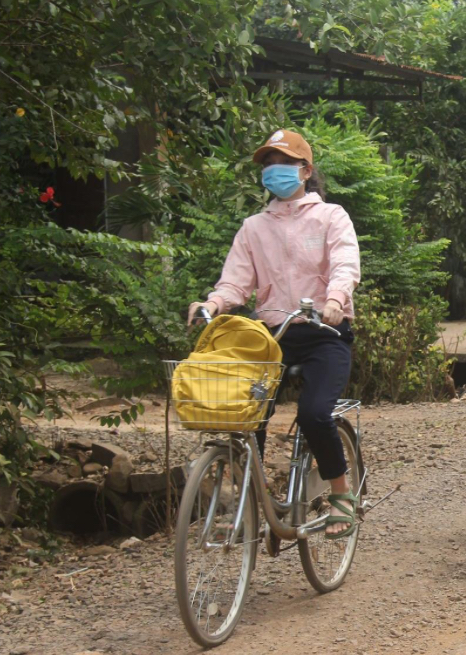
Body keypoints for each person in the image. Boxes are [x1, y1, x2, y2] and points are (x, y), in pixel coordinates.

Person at [187, 129, 361, 539]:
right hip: (272, 337)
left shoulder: (331, 216)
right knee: (244, 417)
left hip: (324, 333)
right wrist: (212, 305)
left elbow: (345, 264)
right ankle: (252, 500)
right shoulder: (253, 227)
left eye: (283, 162)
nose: (274, 171)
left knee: (314, 413)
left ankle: (341, 494)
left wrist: (335, 299)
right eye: (268, 164)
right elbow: (235, 282)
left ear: (306, 170)